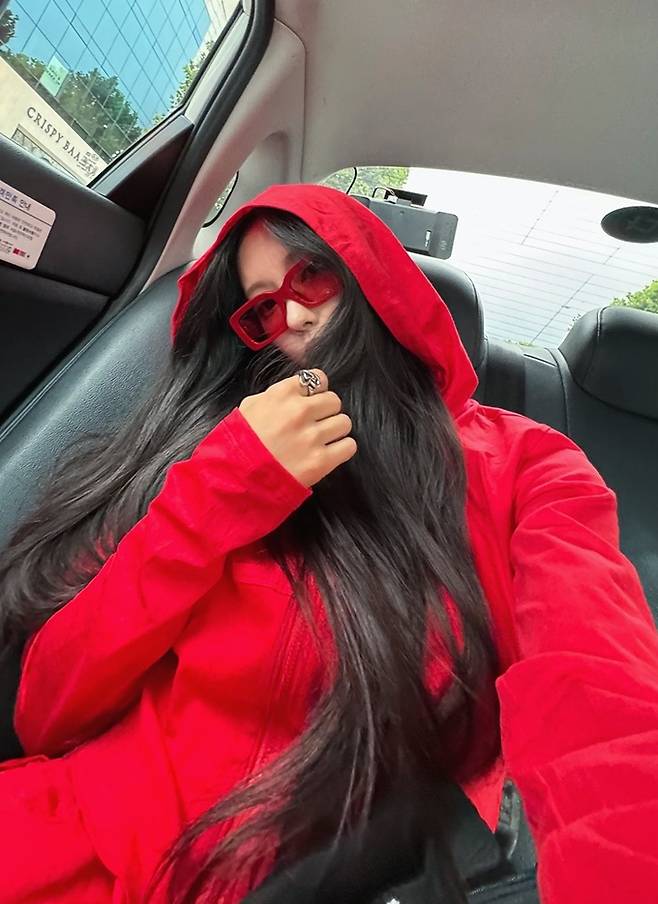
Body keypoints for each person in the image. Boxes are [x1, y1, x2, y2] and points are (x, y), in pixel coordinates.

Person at [0, 183, 656, 904]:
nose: (293, 316)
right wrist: (217, 493)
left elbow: (597, 694)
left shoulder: (525, 463)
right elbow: (46, 711)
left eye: (311, 275)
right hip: (74, 846)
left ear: (371, 273)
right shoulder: (213, 442)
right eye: (261, 309)